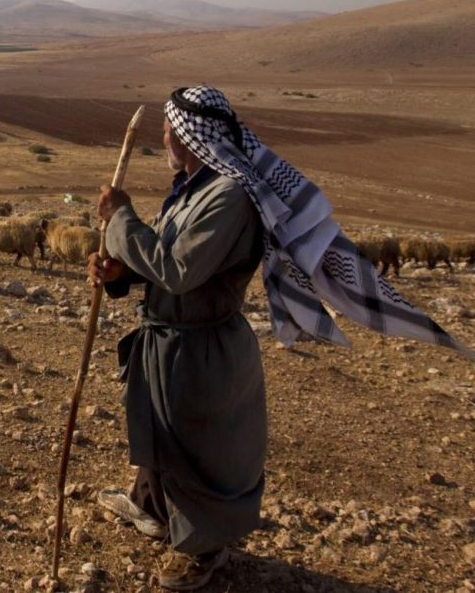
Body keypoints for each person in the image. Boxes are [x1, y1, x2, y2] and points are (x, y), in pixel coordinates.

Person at [88, 86, 471, 591]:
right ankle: (151, 508)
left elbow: (178, 270)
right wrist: (117, 272)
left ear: (191, 137)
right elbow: (158, 256)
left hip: (201, 348)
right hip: (168, 338)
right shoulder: (191, 187)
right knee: (160, 431)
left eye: (170, 129)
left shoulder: (227, 197)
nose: (163, 137)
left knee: (198, 447)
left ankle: (203, 553)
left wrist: (119, 218)